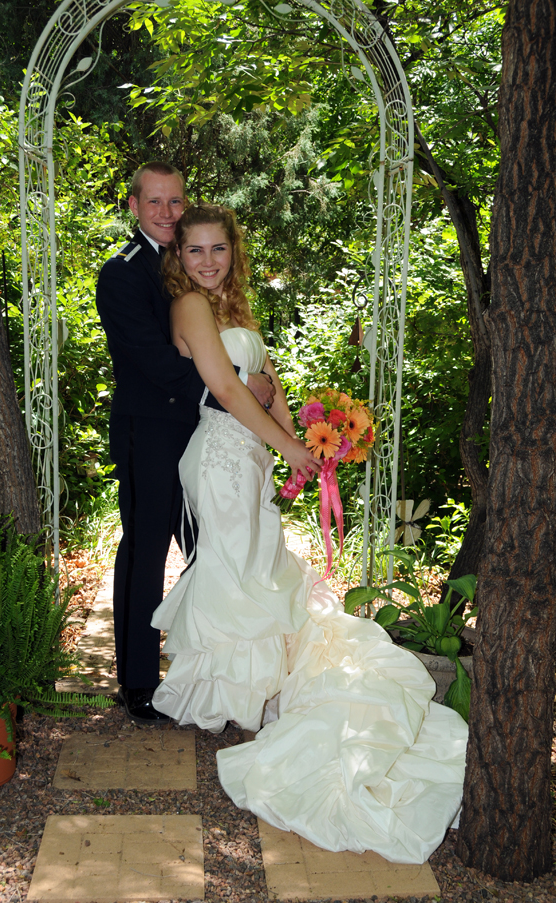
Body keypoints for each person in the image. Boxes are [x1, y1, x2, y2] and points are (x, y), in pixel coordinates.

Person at [150, 202, 469, 865]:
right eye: (195, 250)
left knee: (263, 569)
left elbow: (268, 391)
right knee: (234, 574)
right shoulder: (189, 309)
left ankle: (259, 695)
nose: (207, 261)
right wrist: (286, 445)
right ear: (178, 257)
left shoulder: (235, 310)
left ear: (232, 253)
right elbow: (230, 394)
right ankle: (231, 702)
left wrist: (300, 444)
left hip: (252, 456)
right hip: (219, 459)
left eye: (218, 250)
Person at [96, 163, 278, 725]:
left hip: (203, 434)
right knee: (147, 548)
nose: (167, 213)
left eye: (176, 201)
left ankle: (215, 671)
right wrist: (229, 388)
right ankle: (139, 683)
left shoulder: (195, 261)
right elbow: (154, 359)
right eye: (155, 202)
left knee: (213, 549)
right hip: (149, 429)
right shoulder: (122, 274)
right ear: (134, 206)